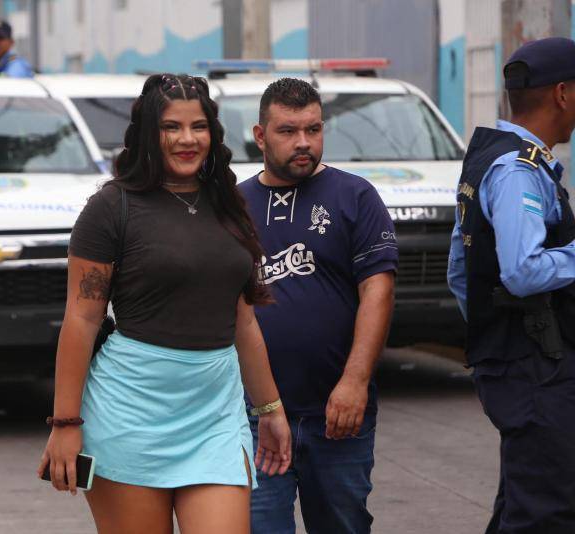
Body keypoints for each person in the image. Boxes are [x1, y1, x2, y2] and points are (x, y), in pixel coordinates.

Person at [37, 73, 292, 533]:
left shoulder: (229, 205)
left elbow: (243, 322)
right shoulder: (111, 208)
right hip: (129, 413)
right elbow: (82, 317)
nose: (187, 139)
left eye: (199, 127)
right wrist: (65, 421)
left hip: (215, 413)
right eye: (172, 127)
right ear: (149, 134)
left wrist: (270, 410)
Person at [238, 78, 397, 534]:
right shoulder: (234, 205)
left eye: (313, 128)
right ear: (260, 135)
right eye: (288, 131)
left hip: (338, 417)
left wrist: (354, 382)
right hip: (254, 417)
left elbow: (378, 291)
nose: (303, 142)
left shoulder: (355, 196)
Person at [447, 37, 575, 534]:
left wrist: (491, 330)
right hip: (536, 368)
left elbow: (461, 269)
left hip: (517, 365)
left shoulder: (489, 158)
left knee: (525, 502)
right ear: (562, 94)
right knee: (547, 511)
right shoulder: (518, 170)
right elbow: (521, 272)